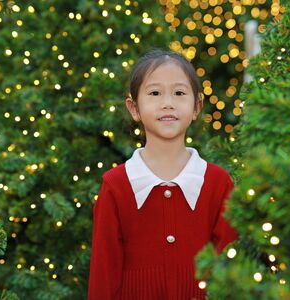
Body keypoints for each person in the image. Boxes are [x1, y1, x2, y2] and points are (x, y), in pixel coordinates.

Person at [88, 49, 237, 300]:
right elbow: (103, 274)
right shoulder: (115, 186)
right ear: (134, 108)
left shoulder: (218, 183)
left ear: (196, 106)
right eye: (155, 93)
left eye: (179, 93)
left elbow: (230, 271)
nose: (167, 102)